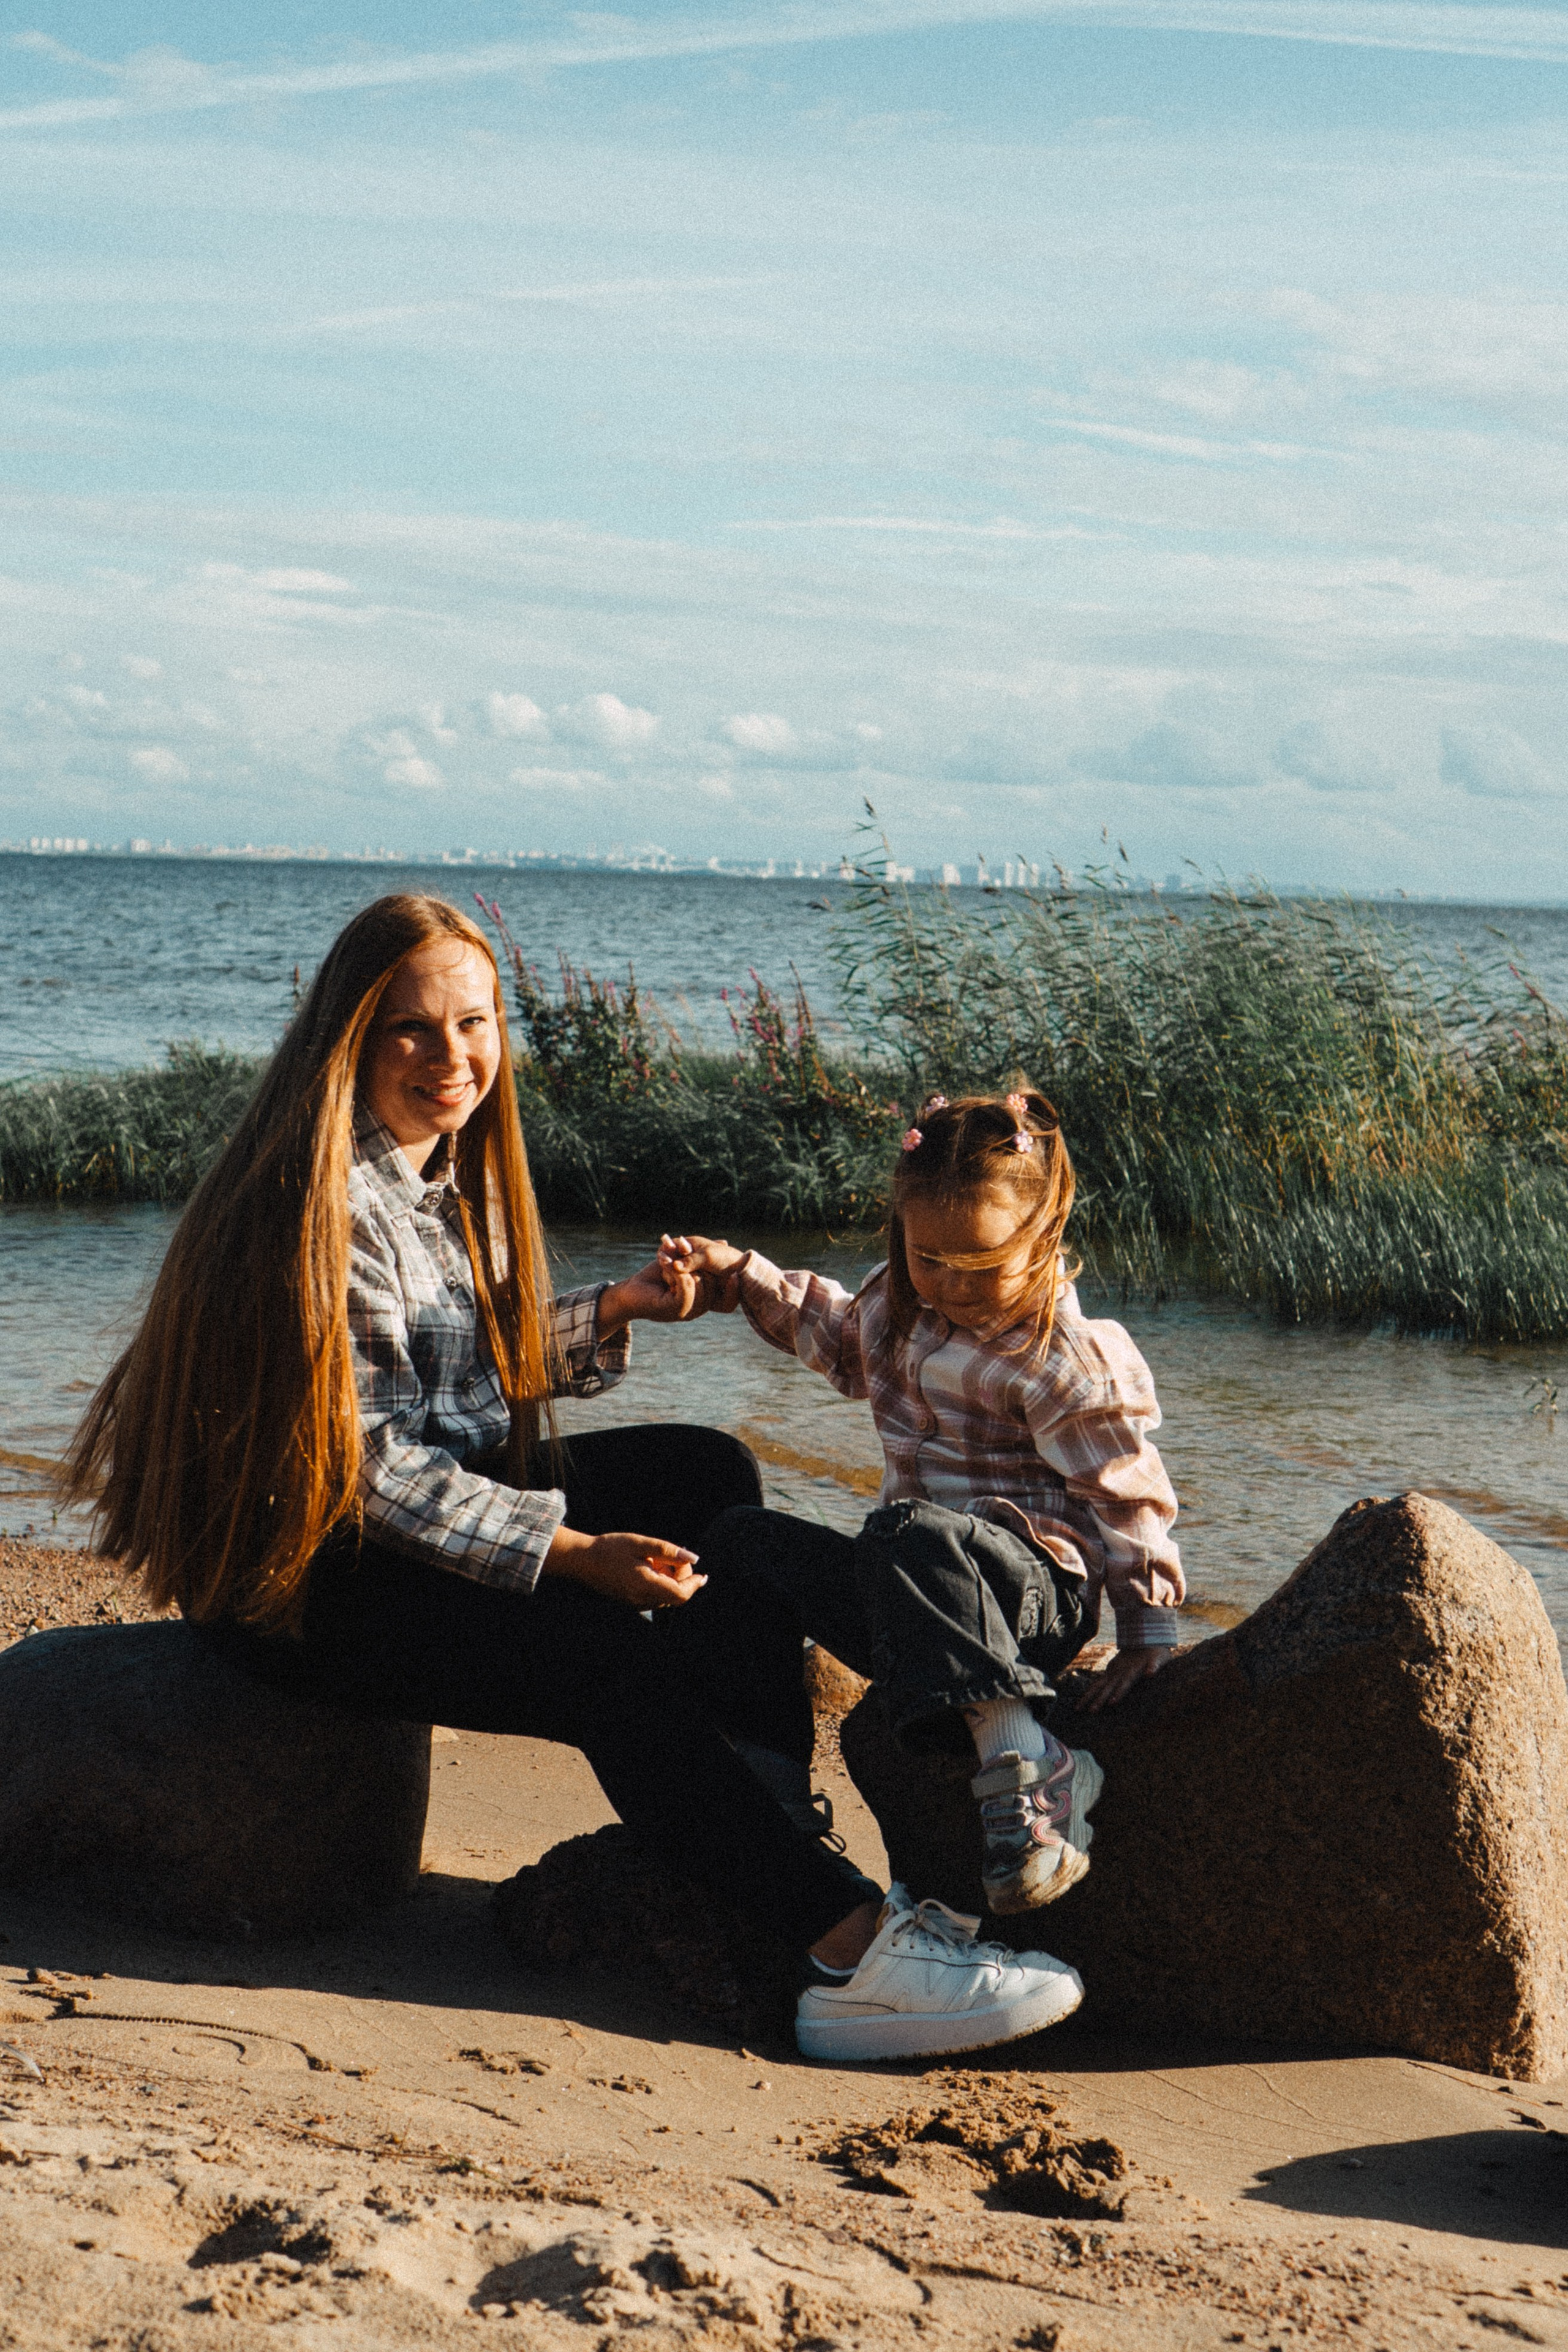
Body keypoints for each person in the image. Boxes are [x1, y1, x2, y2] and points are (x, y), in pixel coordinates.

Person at [64, 895, 1083, 2064]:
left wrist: (611, 1313)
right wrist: (568, 1552)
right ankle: (847, 1951)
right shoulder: (328, 1199)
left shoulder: (422, 1169)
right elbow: (368, 1464)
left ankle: (751, 1828)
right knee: (600, 1647)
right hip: (300, 1577)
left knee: (704, 1473)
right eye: (411, 1031)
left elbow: (443, 1381)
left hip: (380, 1522)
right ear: (349, 1038)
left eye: (475, 1021)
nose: (453, 1058)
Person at [660, 1085, 1185, 1934]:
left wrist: (1149, 1631)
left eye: (980, 1265)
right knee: (737, 1542)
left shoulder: (1066, 1358)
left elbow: (1127, 1494)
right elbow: (828, 1330)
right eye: (928, 1258)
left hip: (1029, 1599)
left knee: (906, 1532)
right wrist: (735, 1278)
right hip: (913, 1596)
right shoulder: (904, 1308)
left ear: (1045, 1234)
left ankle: (1033, 1760)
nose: (951, 1284)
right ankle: (769, 1795)